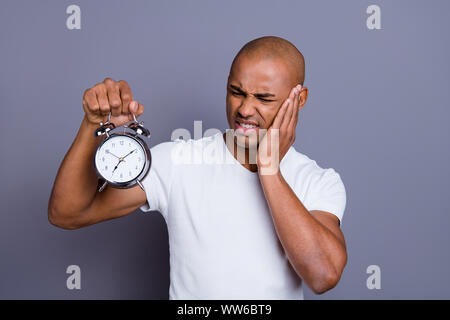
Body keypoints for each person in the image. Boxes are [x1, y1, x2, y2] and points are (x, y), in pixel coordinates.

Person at [48, 36, 347, 299]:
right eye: (236, 92)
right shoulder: (180, 161)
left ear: (300, 99)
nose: (244, 109)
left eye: (264, 98)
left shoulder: (318, 181)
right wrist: (92, 125)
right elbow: (68, 213)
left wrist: (269, 170)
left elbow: (323, 276)